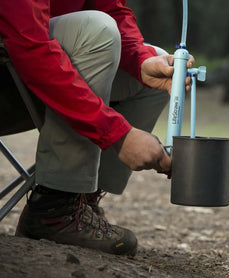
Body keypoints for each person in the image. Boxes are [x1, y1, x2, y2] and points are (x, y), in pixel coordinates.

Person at [0, 0, 194, 256]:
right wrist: (118, 134)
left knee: (159, 65)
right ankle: (54, 210)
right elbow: (29, 45)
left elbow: (111, 8)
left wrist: (140, 61)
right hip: (12, 74)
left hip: (30, 74)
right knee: (96, 29)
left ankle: (80, 201)